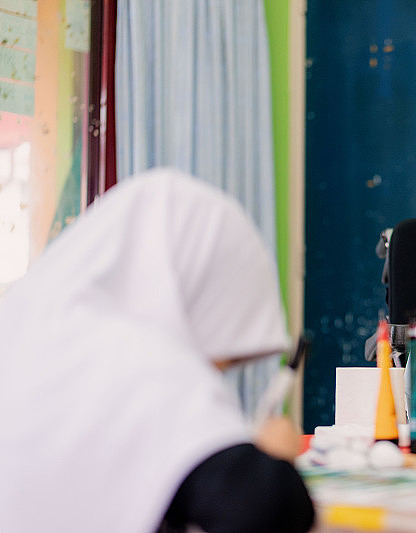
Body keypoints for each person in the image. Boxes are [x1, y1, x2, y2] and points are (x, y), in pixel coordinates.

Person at [0, 168, 315, 533]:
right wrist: (274, 456)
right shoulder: (136, 359)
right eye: (221, 360)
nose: (212, 375)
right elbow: (267, 508)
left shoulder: (29, 327)